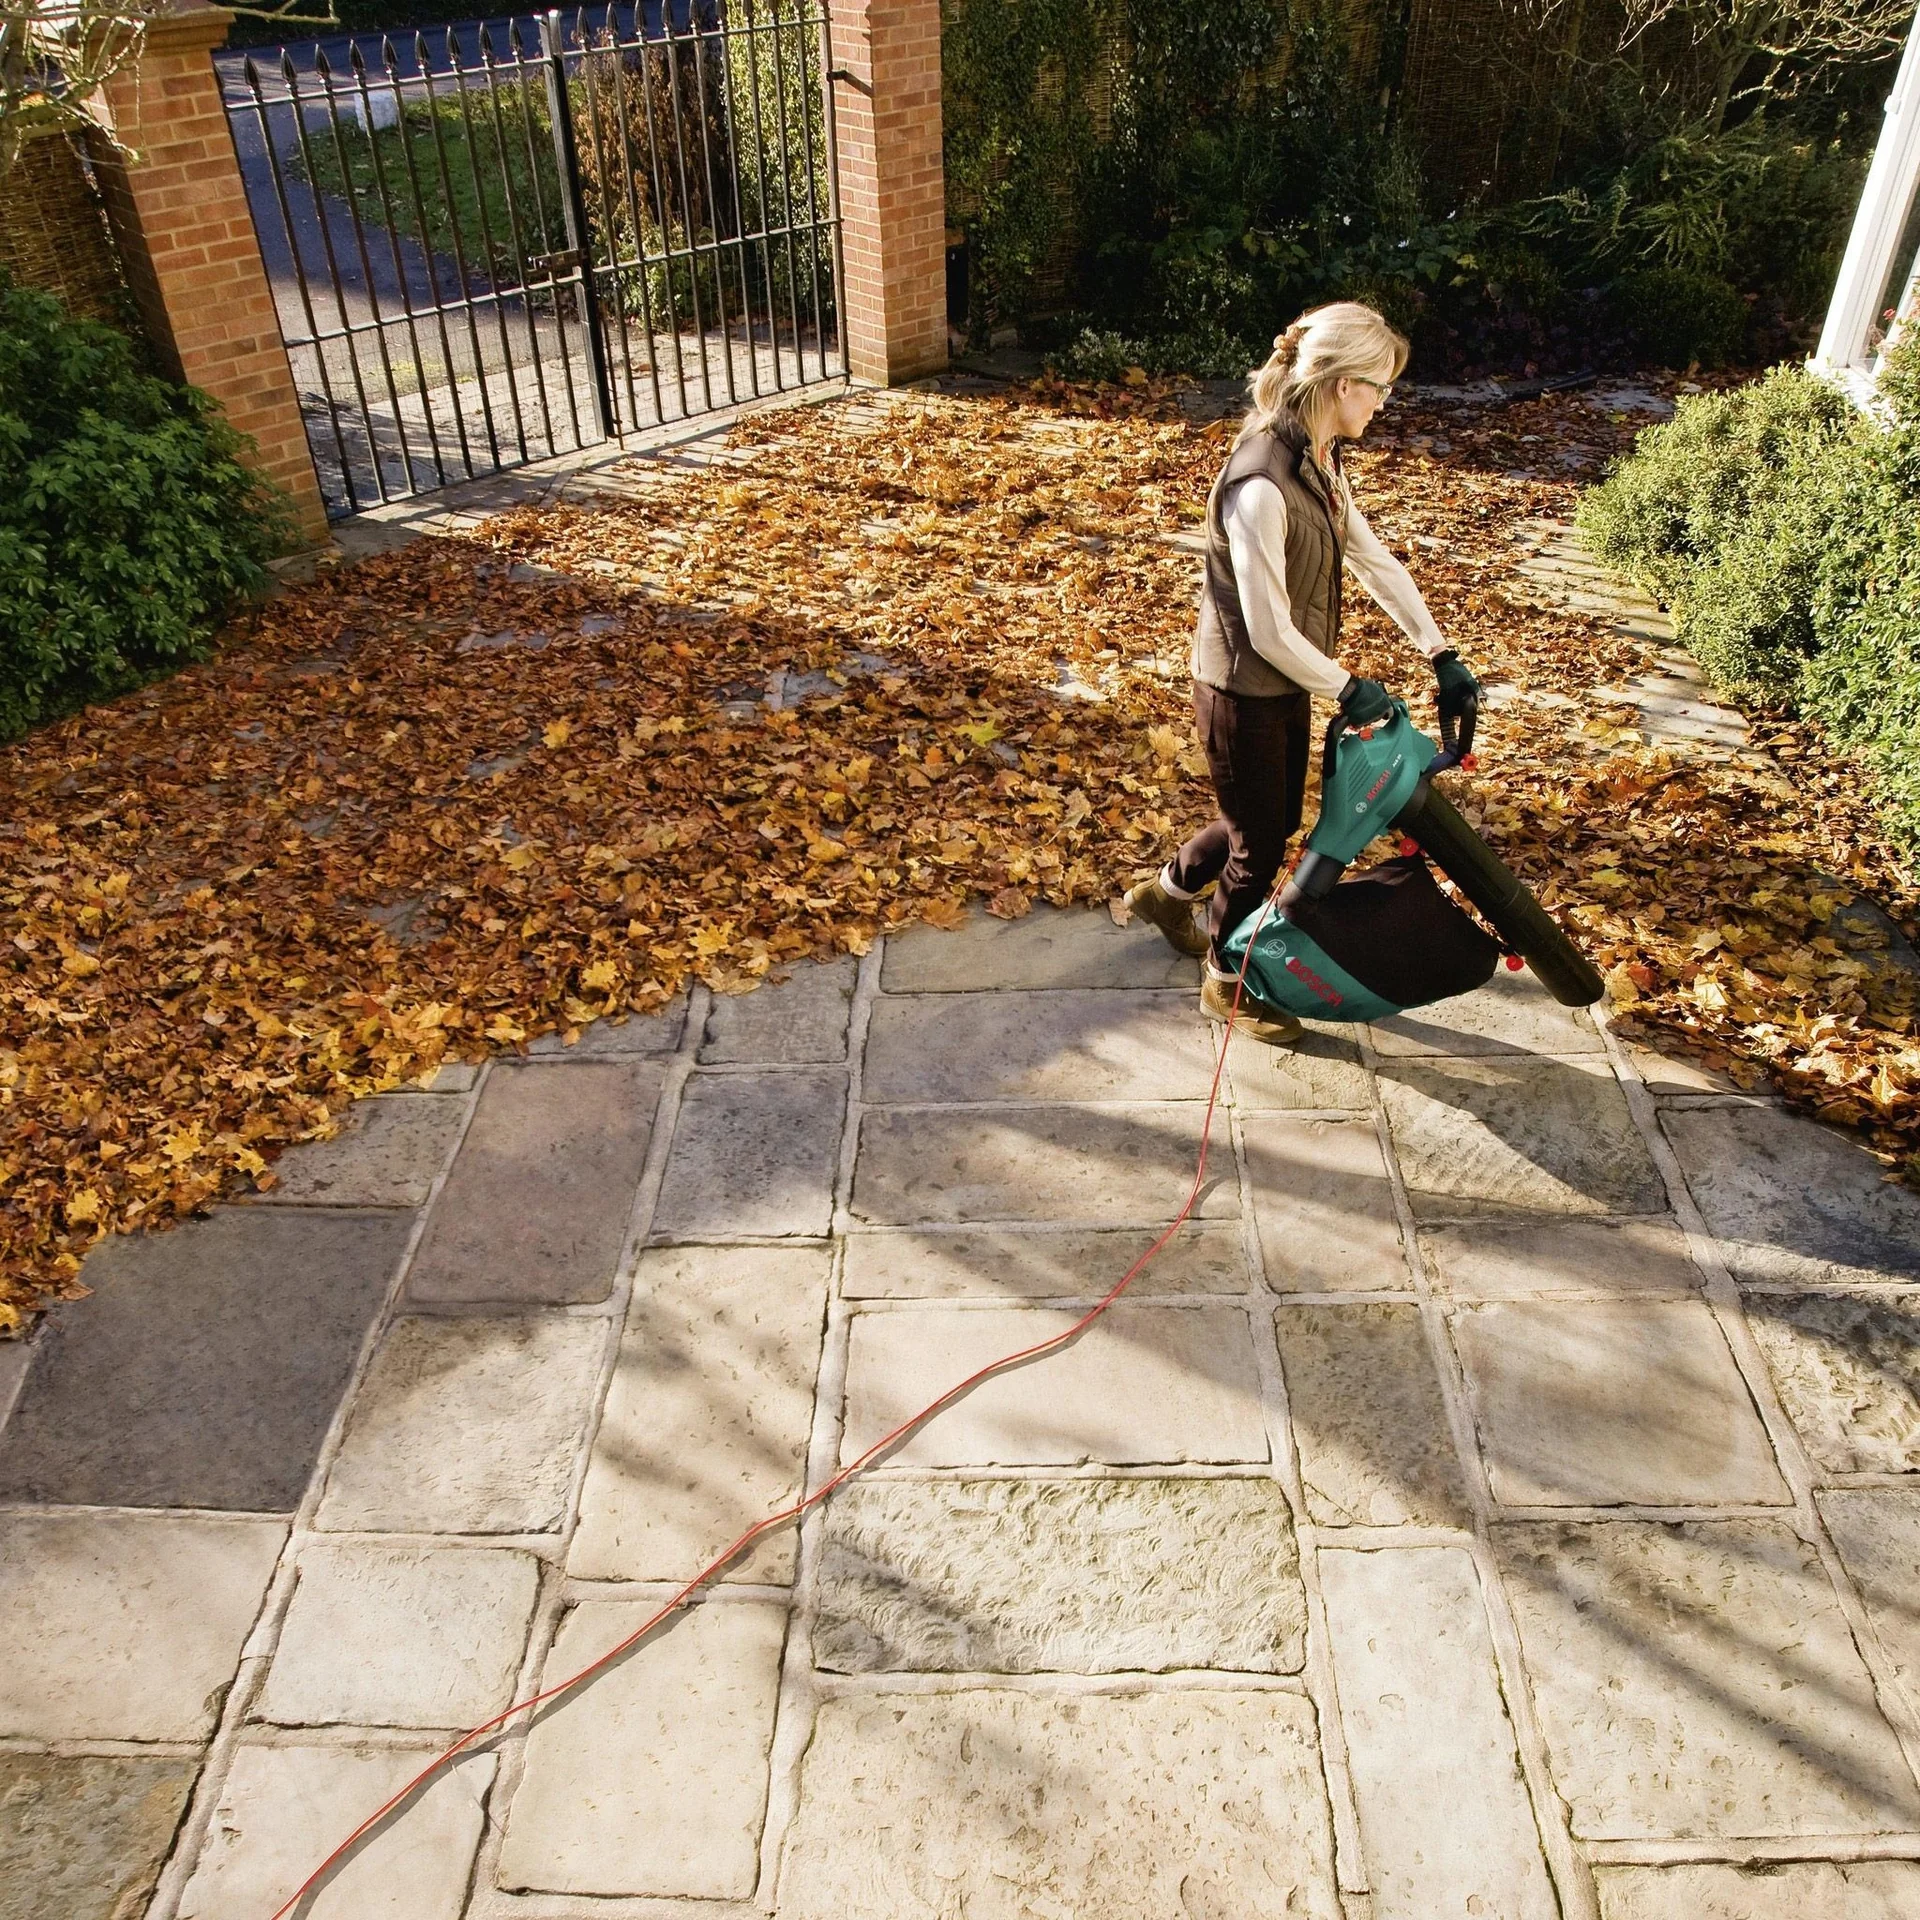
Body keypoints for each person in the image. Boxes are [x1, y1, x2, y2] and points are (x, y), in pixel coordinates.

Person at [1125, 301, 1480, 1045]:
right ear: (1340, 383)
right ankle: (1226, 984)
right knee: (1259, 847)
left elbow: (1372, 559)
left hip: (1286, 680)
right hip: (1239, 689)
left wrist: (1440, 653)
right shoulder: (1260, 484)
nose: (1383, 402)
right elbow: (1267, 629)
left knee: (1269, 821)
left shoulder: (1318, 460)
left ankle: (1167, 894)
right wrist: (1348, 688)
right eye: (1379, 386)